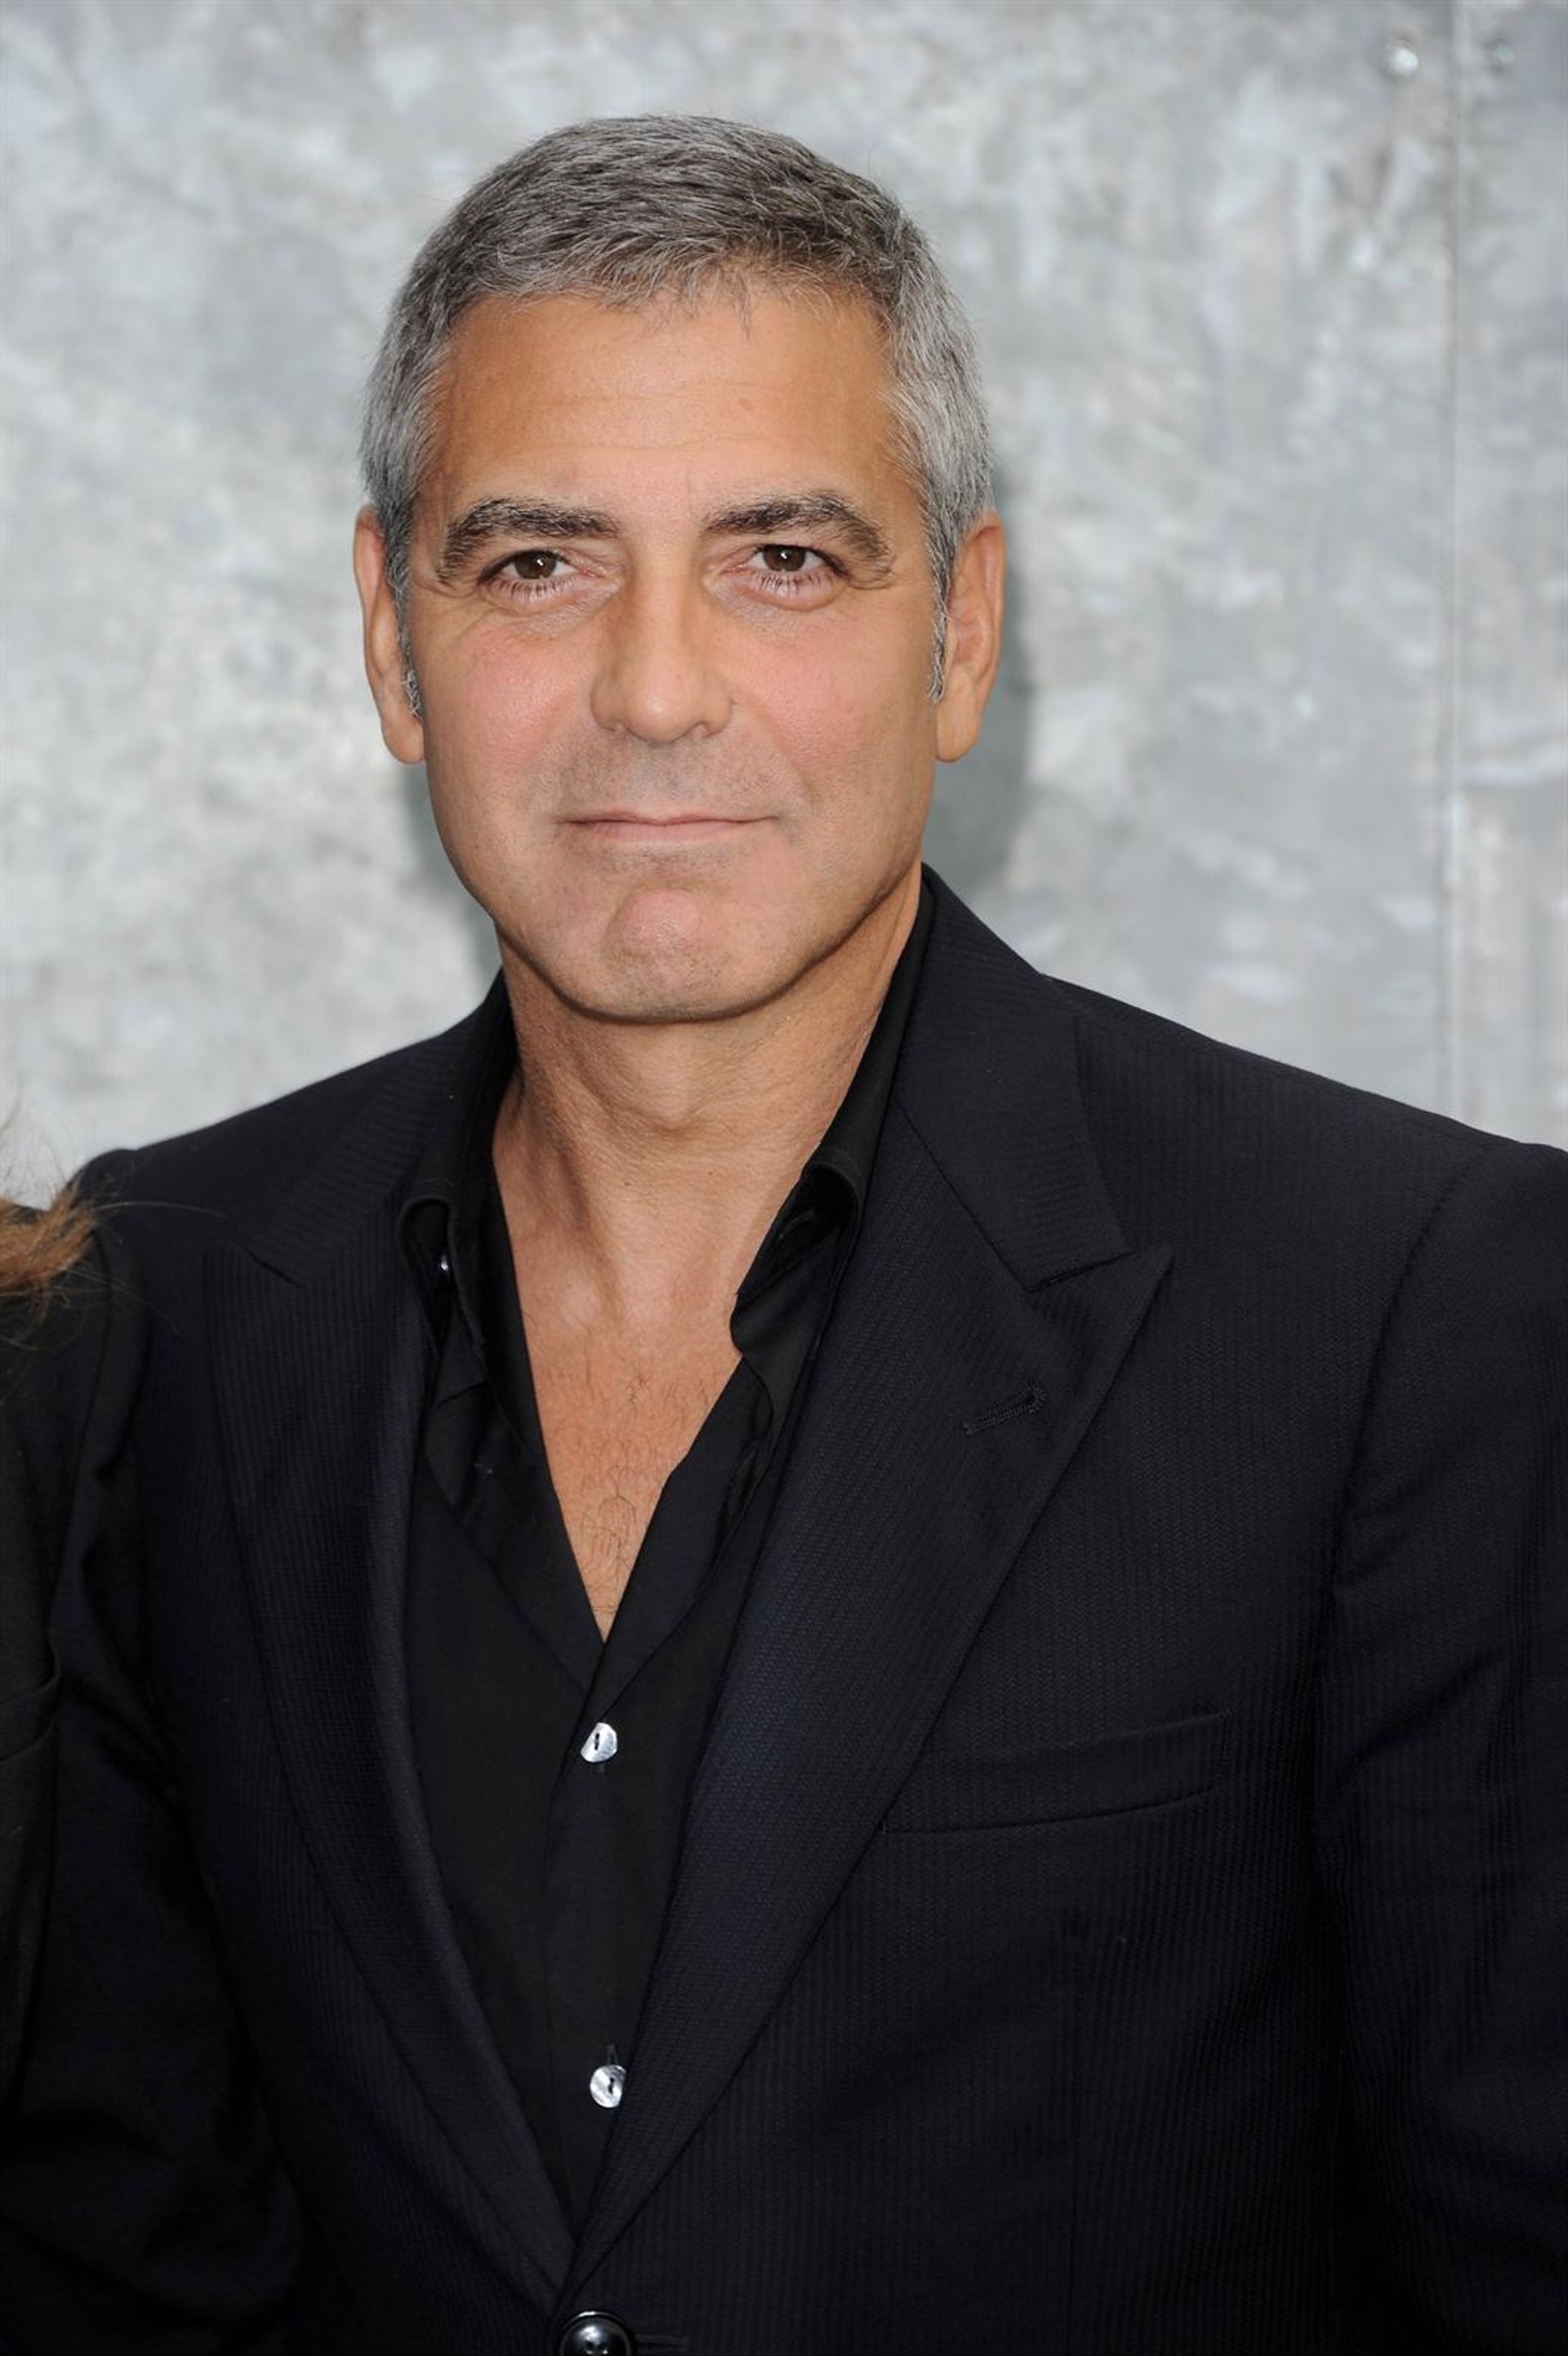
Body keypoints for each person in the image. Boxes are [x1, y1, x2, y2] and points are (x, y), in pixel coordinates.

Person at [0, 114, 1563, 2356]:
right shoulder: (139, 1307)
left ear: (964, 634)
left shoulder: (1410, 1308)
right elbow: (128, 2257)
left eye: (786, 561)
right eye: (539, 562)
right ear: (392, 640)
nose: (656, 689)